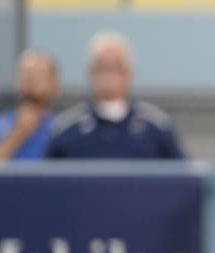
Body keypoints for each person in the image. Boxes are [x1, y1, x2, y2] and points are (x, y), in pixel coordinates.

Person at [45, 32, 184, 160]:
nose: (108, 76)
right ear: (90, 72)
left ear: (128, 73)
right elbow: (45, 180)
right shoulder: (66, 130)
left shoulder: (157, 129)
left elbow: (180, 178)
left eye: (114, 67)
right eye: (101, 67)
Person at [0, 49, 59, 162]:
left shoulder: (60, 128)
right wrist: (19, 132)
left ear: (54, 84)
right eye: (25, 74)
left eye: (38, 74)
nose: (30, 80)